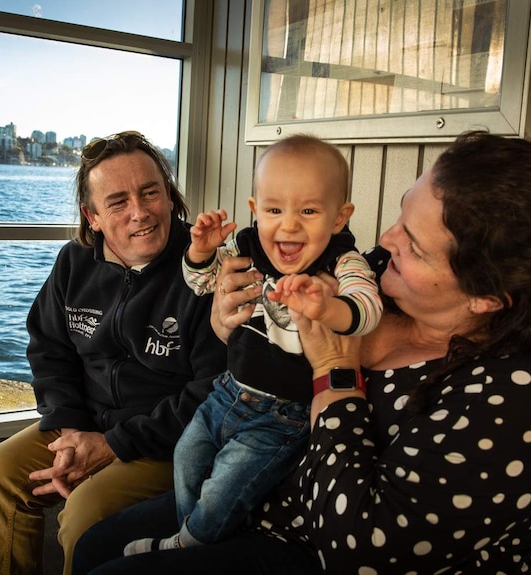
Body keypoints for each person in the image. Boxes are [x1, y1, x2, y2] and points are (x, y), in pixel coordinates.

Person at [71, 131, 531, 575]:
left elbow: (364, 551)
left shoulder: (525, 397)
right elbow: (259, 344)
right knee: (96, 545)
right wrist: (226, 323)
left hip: (321, 546)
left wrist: (334, 373)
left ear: (487, 296)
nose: (385, 239)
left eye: (413, 243)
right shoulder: (380, 277)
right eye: (402, 216)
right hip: (263, 494)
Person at [0, 131, 227, 575]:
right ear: (93, 216)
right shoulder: (74, 262)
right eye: (118, 201)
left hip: (169, 442)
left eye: (150, 193)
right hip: (86, 422)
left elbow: (212, 391)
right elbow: (49, 351)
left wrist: (112, 445)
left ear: (170, 196)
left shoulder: (207, 269)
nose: (140, 213)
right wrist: (72, 433)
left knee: (86, 515)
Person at [124, 135, 382, 555]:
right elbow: (202, 283)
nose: (289, 224)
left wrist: (328, 307)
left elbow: (367, 309)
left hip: (284, 413)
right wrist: (201, 251)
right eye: (274, 210)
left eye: (309, 211)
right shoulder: (246, 247)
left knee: (229, 481)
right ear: (255, 210)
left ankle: (190, 543)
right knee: (187, 457)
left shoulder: (343, 261)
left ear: (339, 217)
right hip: (227, 390)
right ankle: (190, 537)